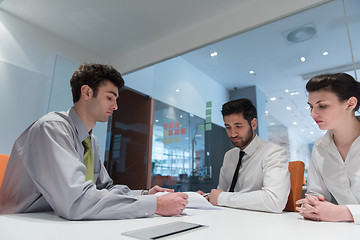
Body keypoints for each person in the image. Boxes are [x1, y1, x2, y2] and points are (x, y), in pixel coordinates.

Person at [0, 63, 188, 220]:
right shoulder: (52, 128)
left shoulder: (90, 141)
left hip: (57, 222)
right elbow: (77, 202)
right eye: (109, 98)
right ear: (87, 92)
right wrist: (154, 205)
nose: (115, 106)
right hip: (20, 223)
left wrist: (145, 195)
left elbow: (104, 189)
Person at [199, 98, 290, 213]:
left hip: (259, 223)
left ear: (253, 124)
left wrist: (222, 198)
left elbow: (275, 201)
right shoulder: (229, 156)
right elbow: (220, 193)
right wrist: (206, 197)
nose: (233, 134)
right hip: (227, 218)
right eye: (228, 127)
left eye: (238, 126)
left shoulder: (273, 153)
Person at [296, 73, 360, 224]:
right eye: (311, 107)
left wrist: (345, 213)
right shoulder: (320, 147)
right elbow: (316, 194)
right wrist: (313, 203)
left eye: (322, 106)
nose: (312, 114)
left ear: (350, 104)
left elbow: (340, 213)